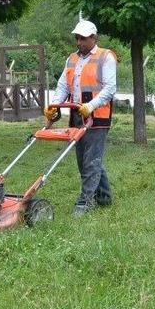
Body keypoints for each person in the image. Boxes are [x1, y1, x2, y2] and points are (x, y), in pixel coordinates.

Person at [45, 18, 117, 216]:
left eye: (83, 38)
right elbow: (63, 85)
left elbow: (110, 88)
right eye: (77, 38)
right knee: (86, 160)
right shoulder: (72, 59)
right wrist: (54, 106)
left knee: (91, 162)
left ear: (94, 38)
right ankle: (104, 197)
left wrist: (91, 106)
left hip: (97, 117)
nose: (79, 42)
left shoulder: (106, 57)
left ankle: (85, 203)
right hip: (77, 116)